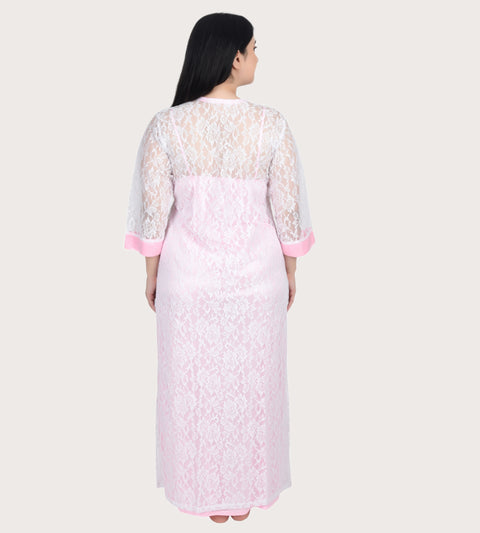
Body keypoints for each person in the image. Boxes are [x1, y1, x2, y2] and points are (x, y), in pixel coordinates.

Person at [124, 12, 315, 523]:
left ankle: (206, 493)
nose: (257, 57)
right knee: (254, 391)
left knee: (195, 392)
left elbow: (153, 210)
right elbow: (288, 209)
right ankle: (245, 492)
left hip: (189, 284)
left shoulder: (167, 125)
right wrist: (291, 269)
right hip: (257, 283)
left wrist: (152, 275)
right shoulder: (271, 124)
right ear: (234, 58)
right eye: (253, 48)